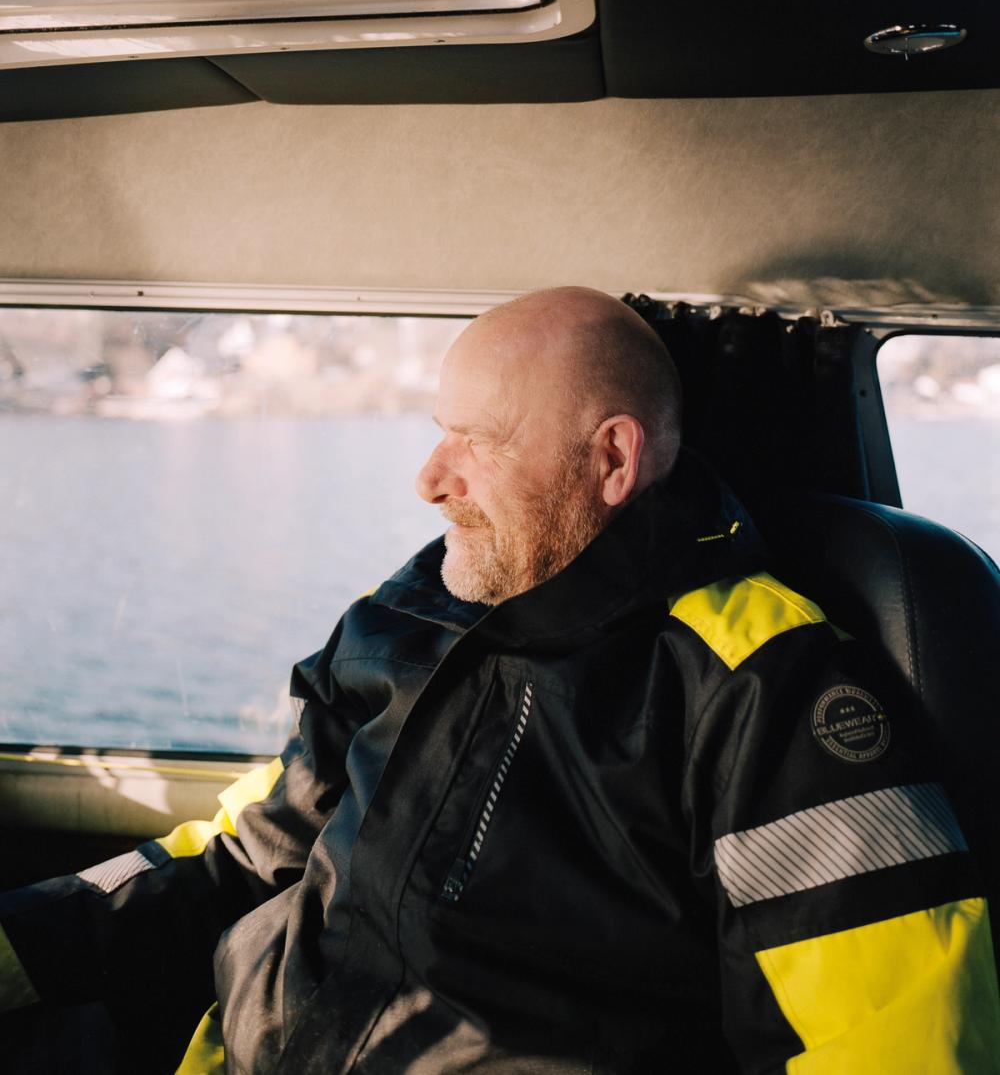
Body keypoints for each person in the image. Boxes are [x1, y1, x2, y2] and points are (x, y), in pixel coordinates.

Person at [1, 286, 998, 1073]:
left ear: (612, 458)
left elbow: (892, 1030)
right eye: (439, 431)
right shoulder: (406, 615)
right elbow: (248, 848)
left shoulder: (757, 681)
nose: (430, 478)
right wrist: (20, 946)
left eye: (475, 441)